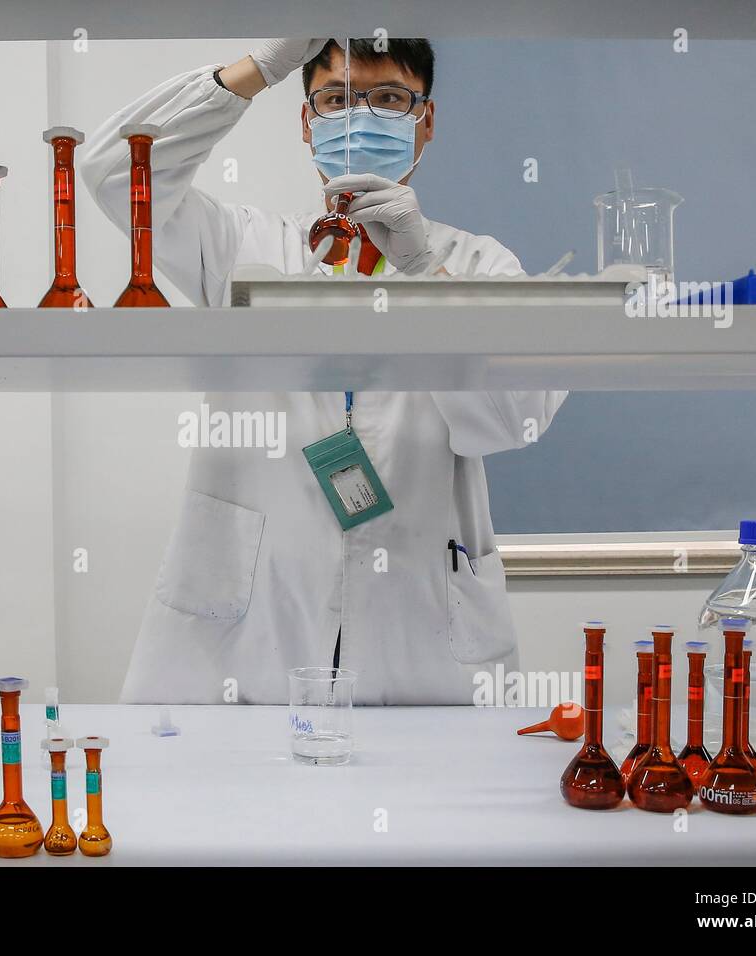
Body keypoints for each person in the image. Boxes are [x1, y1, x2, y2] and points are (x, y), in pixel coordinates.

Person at [81, 38, 567, 705]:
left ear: (427, 120)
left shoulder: (479, 266)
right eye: (335, 99)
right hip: (243, 645)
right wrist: (263, 67)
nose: (359, 118)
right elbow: (115, 171)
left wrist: (428, 276)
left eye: (389, 99)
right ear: (305, 122)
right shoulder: (240, 246)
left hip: (419, 646)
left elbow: (516, 420)